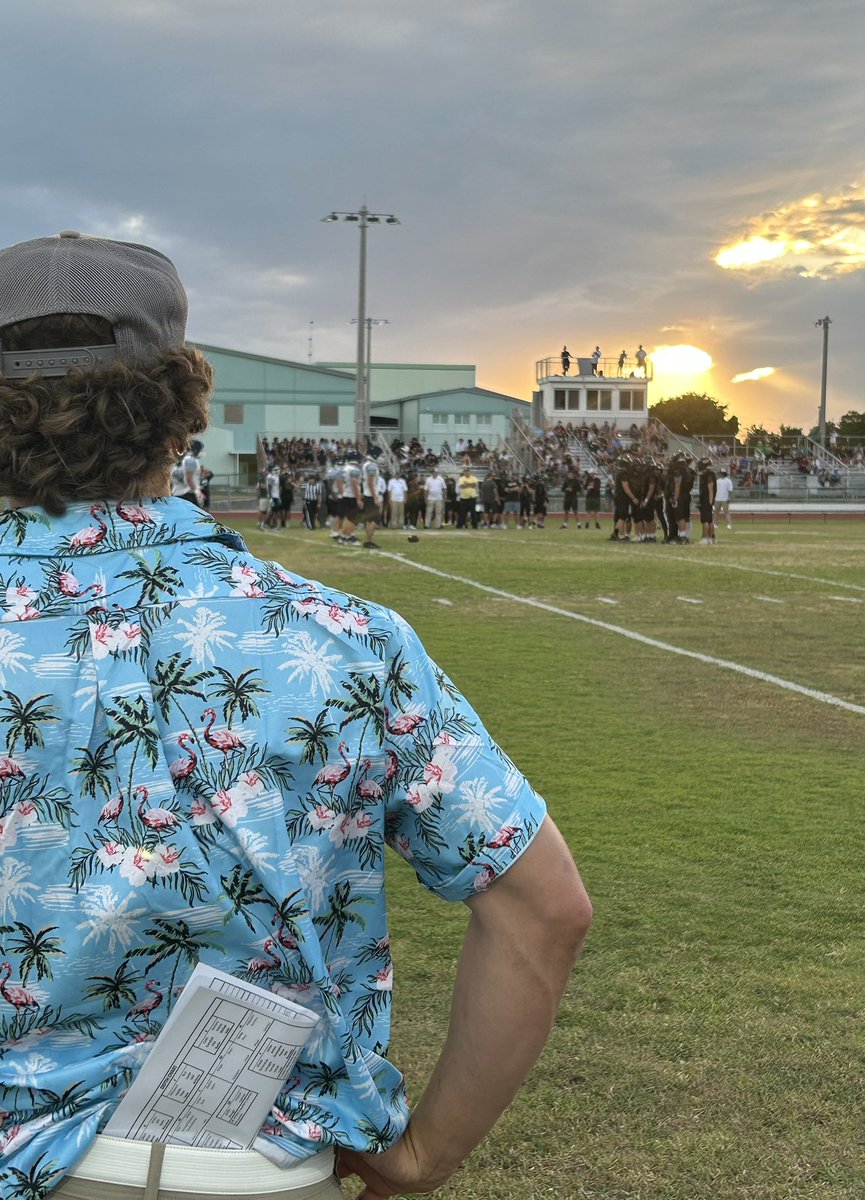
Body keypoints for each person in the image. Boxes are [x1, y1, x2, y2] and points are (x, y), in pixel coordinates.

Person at [0, 232, 591, 1200]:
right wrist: (424, 1153)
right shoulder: (344, 636)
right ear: (181, 411)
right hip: (257, 1165)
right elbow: (542, 905)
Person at [171, 438, 203, 506]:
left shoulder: (183, 460)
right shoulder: (190, 459)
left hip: (178, 492)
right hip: (187, 494)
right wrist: (197, 492)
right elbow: (189, 479)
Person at [697, 457, 717, 544]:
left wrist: (710, 502)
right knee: (709, 520)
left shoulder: (708, 475)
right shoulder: (708, 474)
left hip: (706, 500)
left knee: (705, 520)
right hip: (707, 500)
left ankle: (705, 538)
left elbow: (710, 489)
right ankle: (711, 538)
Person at [456, 464, 479, 528]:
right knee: (462, 512)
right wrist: (470, 484)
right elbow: (462, 486)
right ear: (464, 472)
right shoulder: (461, 478)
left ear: (469, 472)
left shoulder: (474, 478)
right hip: (464, 497)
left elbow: (474, 485)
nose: (466, 472)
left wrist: (466, 484)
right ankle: (460, 525)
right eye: (465, 471)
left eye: (467, 471)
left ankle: (475, 525)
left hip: (472, 497)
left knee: (473, 512)